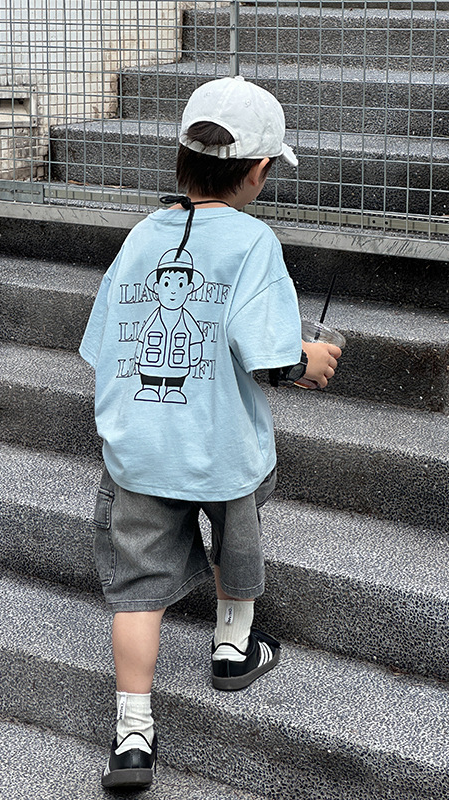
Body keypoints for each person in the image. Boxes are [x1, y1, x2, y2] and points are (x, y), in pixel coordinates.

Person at [79, 75, 341, 789]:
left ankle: (133, 735)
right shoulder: (254, 242)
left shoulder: (141, 237)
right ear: (259, 171)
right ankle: (233, 649)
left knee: (137, 591)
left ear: (181, 159)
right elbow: (271, 355)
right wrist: (310, 359)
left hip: (139, 451)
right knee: (236, 538)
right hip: (224, 447)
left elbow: (102, 344)